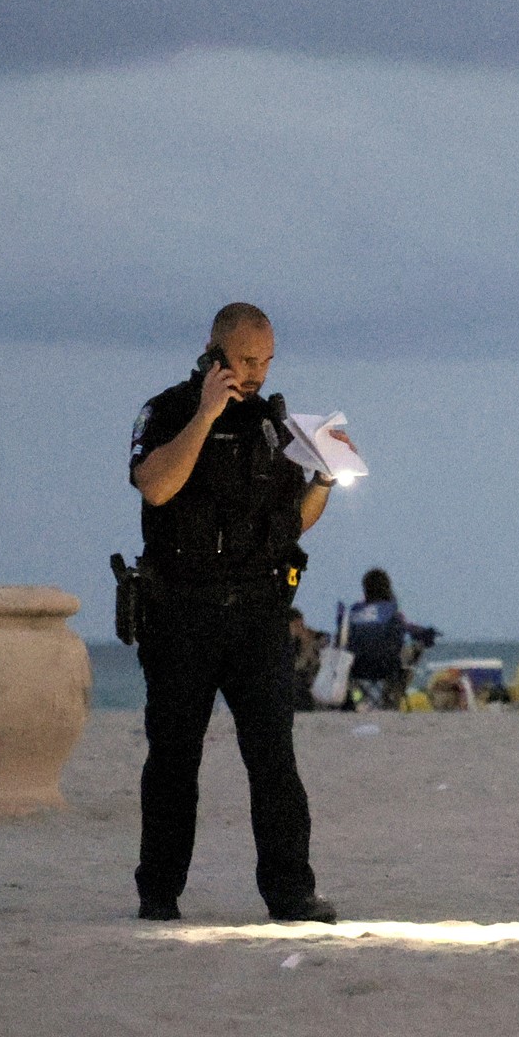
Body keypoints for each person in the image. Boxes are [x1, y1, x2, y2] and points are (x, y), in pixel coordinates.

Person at [128, 302, 344, 924]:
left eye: (267, 361)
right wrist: (206, 414)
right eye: (247, 360)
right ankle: (159, 892)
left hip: (258, 615)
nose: (257, 373)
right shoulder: (168, 410)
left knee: (274, 756)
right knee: (173, 756)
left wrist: (324, 481)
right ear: (216, 352)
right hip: (181, 613)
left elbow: (290, 525)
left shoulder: (277, 428)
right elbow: (157, 486)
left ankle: (290, 892)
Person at [343, 568, 439, 709]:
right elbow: (407, 630)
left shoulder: (354, 612)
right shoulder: (391, 611)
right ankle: (393, 696)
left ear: (365, 590)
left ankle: (358, 699)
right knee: (415, 650)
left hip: (355, 668)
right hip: (387, 668)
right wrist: (427, 635)